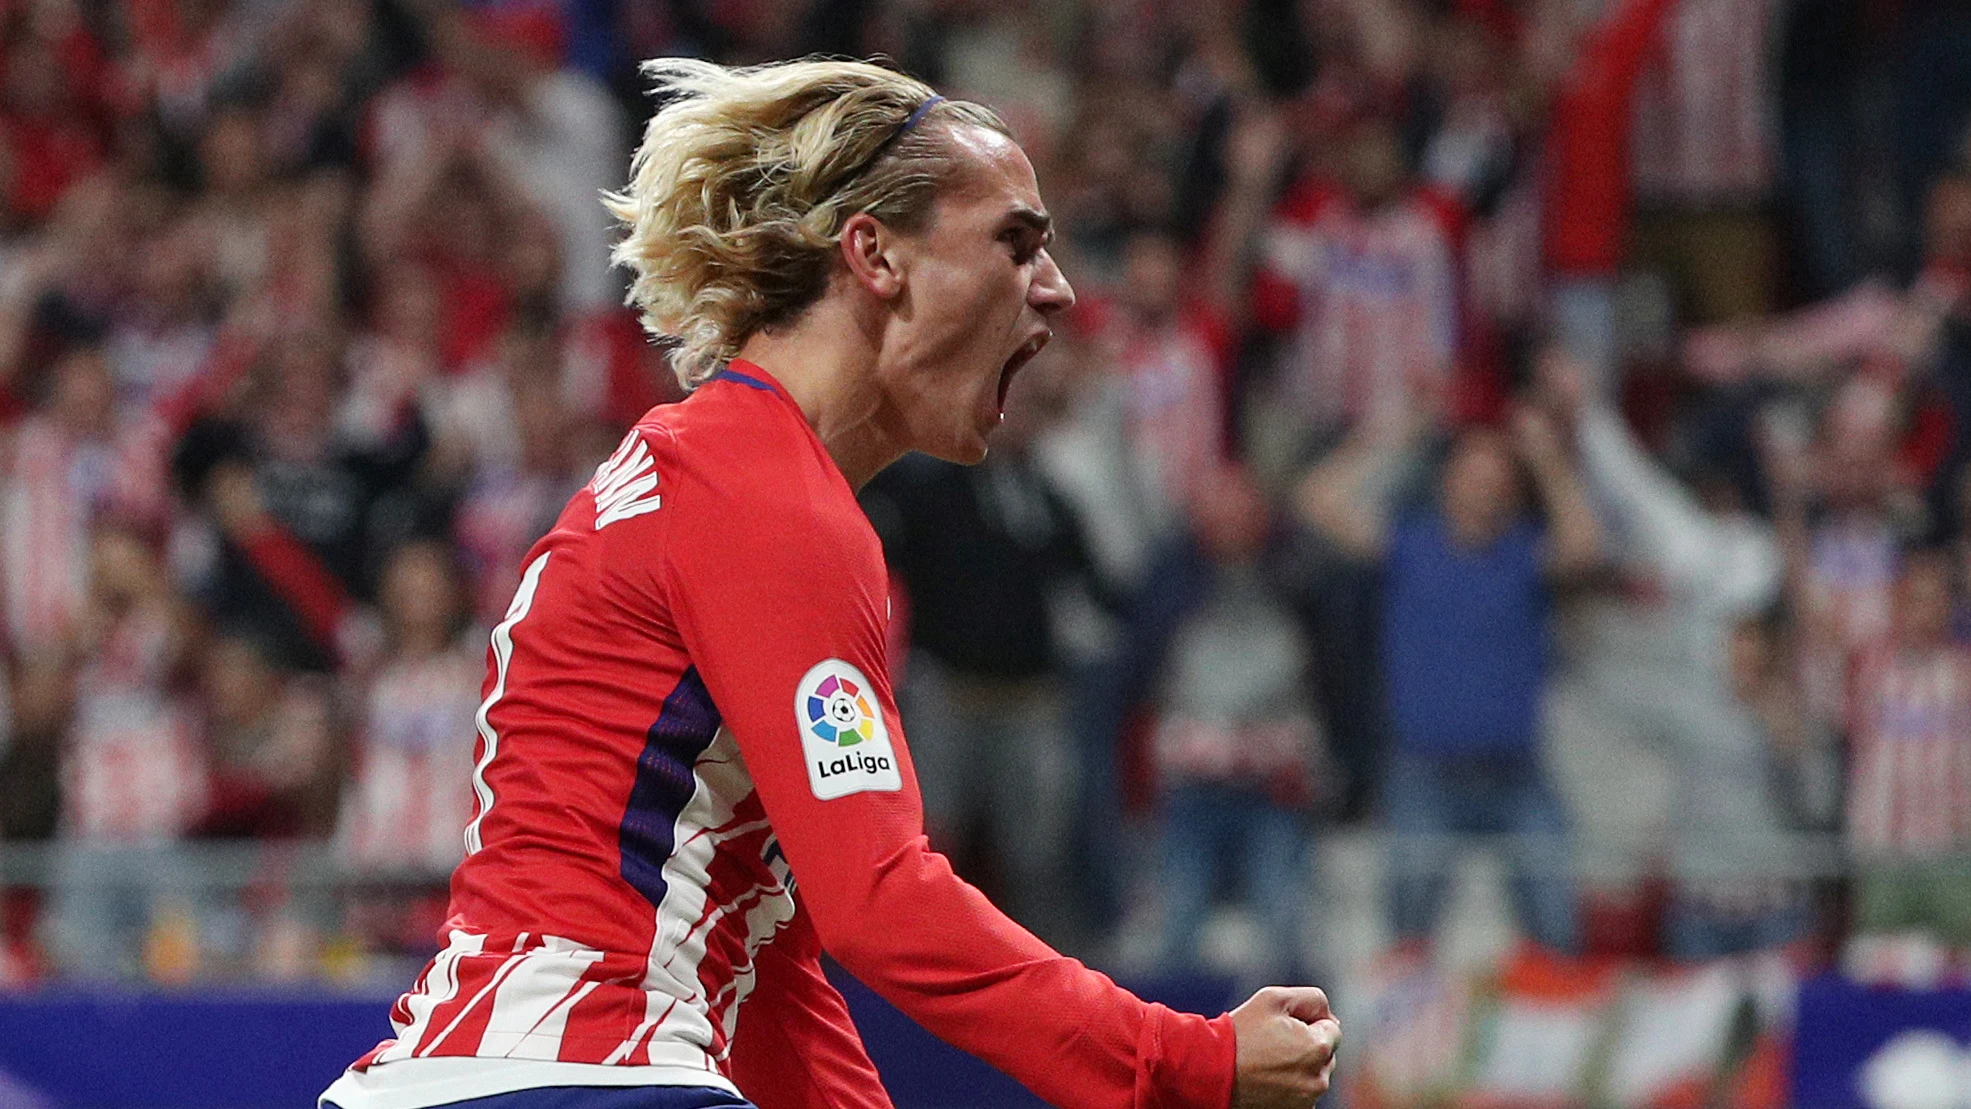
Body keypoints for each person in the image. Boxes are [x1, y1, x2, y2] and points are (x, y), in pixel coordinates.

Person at [320, 58, 1340, 1109]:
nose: (1057, 288)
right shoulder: (773, 498)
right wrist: (1187, 1059)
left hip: (477, 1073)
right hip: (580, 1073)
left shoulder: (706, 463)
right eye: (1016, 241)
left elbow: (764, 953)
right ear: (876, 255)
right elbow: (881, 898)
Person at [1296, 404, 1599, 957]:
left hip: (1514, 772)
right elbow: (1316, 500)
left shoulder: (1522, 553)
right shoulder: (1411, 547)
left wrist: (1549, 461)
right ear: (1446, 482)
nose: (1483, 490)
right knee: (1407, 938)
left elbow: (1585, 547)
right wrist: (1386, 437)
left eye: (1497, 479)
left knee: (1557, 931)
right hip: (1425, 770)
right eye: (1472, 475)